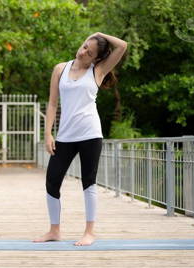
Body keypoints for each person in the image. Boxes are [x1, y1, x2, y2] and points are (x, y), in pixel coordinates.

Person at [33, 32, 128, 246]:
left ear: (96, 58)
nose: (83, 51)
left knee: (88, 182)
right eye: (85, 46)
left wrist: (99, 34)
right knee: (52, 180)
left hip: (90, 134)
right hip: (65, 135)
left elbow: (122, 46)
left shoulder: (98, 70)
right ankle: (54, 231)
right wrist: (48, 133)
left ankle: (89, 232)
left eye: (90, 52)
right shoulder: (60, 69)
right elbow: (52, 104)